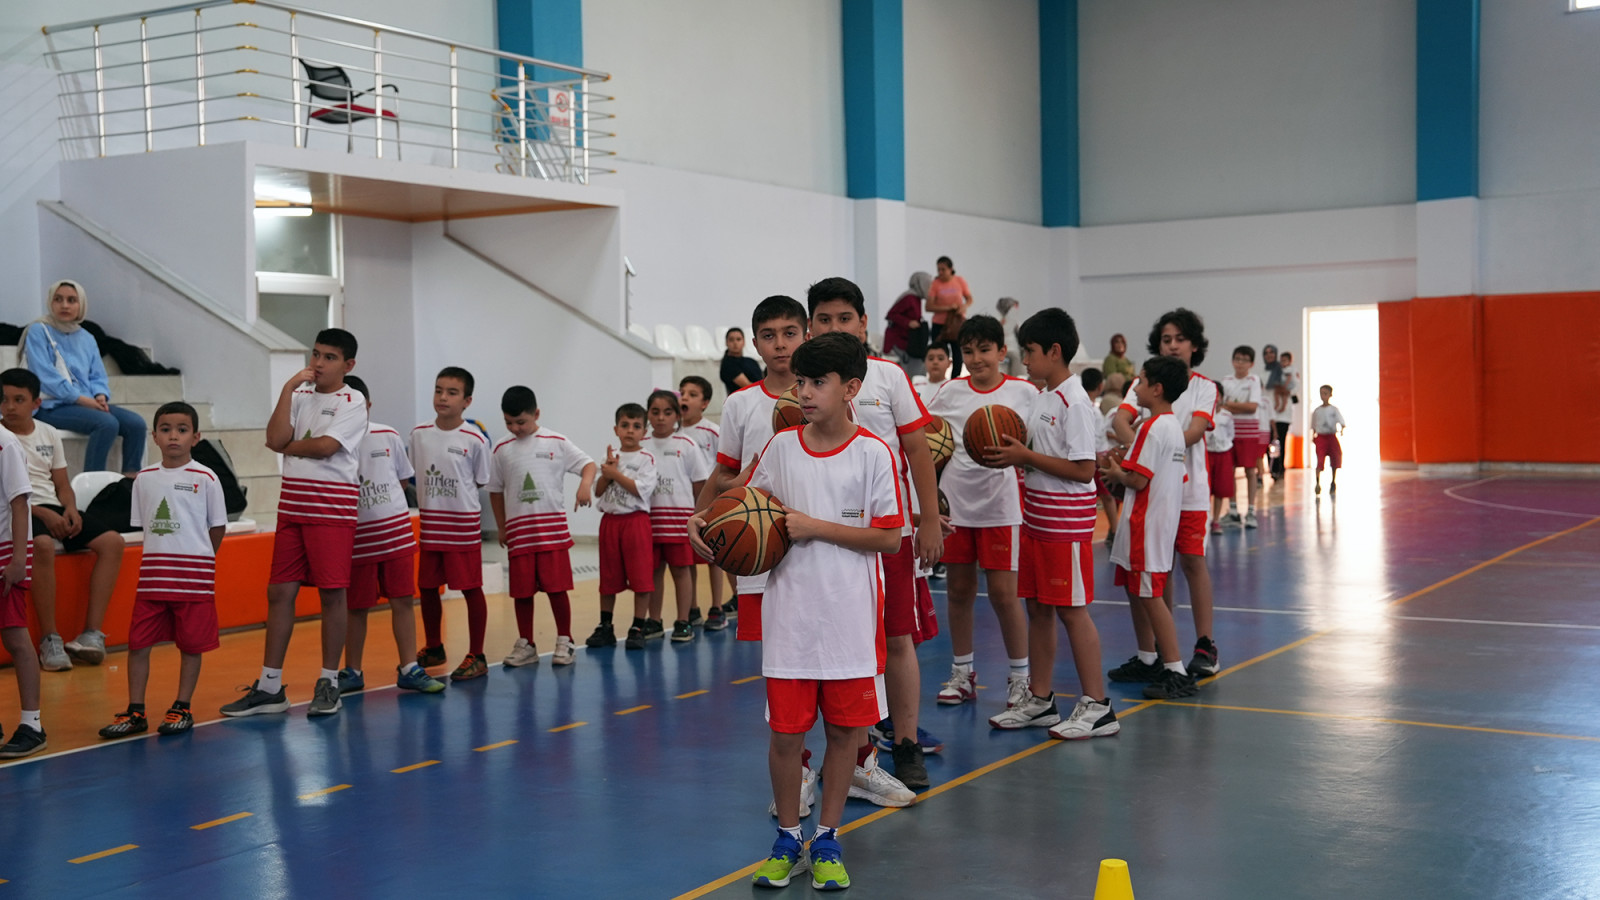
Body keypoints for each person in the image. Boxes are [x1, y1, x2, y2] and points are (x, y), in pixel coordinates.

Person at [688, 332, 903, 892]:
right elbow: (741, 504)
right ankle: (787, 838)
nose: (804, 392)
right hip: (791, 620)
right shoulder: (781, 447)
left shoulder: (873, 453)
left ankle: (827, 838)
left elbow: (889, 538)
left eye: (818, 382)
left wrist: (814, 527)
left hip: (850, 623)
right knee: (786, 738)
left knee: (844, 736)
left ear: (850, 388)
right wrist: (704, 521)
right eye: (801, 381)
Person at [807, 276, 943, 793]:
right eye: (824, 319)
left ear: (864, 323)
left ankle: (905, 744)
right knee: (844, 645)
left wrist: (929, 518)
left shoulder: (888, 376)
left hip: (890, 534)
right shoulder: (807, 384)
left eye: (845, 318)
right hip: (826, 537)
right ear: (811, 326)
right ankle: (856, 752)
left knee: (897, 639)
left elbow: (918, 450)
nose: (835, 327)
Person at [985, 310, 1117, 739]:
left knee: (1072, 612)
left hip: (1065, 525)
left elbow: (1083, 469)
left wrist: (1025, 456)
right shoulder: (1044, 396)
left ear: (1054, 351)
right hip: (1037, 519)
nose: (1024, 360)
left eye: (1030, 352)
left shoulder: (1073, 402)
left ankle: (1098, 706)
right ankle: (1040, 700)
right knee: (1038, 608)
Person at [222, 328, 366, 718]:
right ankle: (270, 686)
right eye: (316, 354)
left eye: (329, 357)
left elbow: (326, 447)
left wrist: (288, 446)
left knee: (332, 594)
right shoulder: (299, 394)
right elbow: (273, 437)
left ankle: (329, 682)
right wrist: (287, 388)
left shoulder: (353, 401)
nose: (318, 363)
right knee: (279, 592)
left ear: (348, 365)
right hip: (292, 507)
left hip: (331, 510)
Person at [927, 315, 1040, 714]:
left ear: (1002, 352)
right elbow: (927, 437)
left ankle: (1020, 678)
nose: (976, 358)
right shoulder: (948, 393)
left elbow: (1039, 445)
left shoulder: (1025, 393)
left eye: (984, 350)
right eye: (968, 351)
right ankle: (962, 673)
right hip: (955, 503)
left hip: (1001, 505)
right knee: (958, 591)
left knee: (1004, 595)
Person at [97, 402, 228, 738]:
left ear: (195, 437)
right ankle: (135, 710)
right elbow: (147, 527)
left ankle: (182, 706)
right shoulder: (144, 479)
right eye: (166, 429)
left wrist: (201, 559)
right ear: (154, 436)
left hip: (194, 580)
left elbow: (217, 527)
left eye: (182, 430)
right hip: (153, 580)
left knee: (191, 645)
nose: (174, 436)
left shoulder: (207, 478)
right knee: (138, 644)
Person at [1110, 309, 1221, 682]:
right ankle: (1156, 652)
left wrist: (1149, 450)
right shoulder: (1144, 381)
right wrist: (1144, 451)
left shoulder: (1204, 387)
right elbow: (1120, 421)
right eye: (1166, 339)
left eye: (1180, 339)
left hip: (1188, 491)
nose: (1172, 345)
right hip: (1149, 491)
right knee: (1156, 569)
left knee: (1192, 562)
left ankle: (1204, 645)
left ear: (1194, 346)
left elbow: (1194, 431)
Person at [0, 368, 125, 672]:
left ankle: (91, 635)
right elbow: (10, 497)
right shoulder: (2, 438)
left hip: (52, 506)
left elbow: (62, 484)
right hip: (19, 512)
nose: (10, 406)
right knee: (42, 545)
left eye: (19, 399)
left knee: (113, 542)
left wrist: (69, 508)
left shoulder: (48, 432)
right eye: (4, 400)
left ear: (36, 403)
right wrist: (43, 513)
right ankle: (50, 639)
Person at [337, 376, 444, 694]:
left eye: (357, 407)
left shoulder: (388, 435)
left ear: (368, 406)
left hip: (395, 537)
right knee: (356, 607)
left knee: (402, 600)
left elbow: (402, 480)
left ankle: (409, 667)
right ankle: (352, 670)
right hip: (356, 542)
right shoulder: (330, 445)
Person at [1102, 355, 1195, 700]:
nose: (1136, 387)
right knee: (1139, 591)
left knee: (1150, 596)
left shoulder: (1151, 428)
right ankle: (1148, 658)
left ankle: (1176, 669)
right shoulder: (1173, 428)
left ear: (1156, 389)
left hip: (1145, 523)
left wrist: (1115, 473)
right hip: (1157, 522)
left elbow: (1138, 480)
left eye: (1140, 382)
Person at [489, 386, 595, 666]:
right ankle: (526, 643)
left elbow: (588, 465)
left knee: (557, 589)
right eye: (509, 423)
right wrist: (501, 526)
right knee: (521, 592)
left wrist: (585, 485)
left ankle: (565, 639)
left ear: (536, 414)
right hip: (519, 534)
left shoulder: (556, 442)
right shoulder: (501, 449)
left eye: (521, 422)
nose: (515, 428)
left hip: (552, 533)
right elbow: (495, 490)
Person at [409, 368, 492, 681]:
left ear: (467, 401)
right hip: (431, 524)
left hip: (461, 525)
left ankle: (477, 655)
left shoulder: (475, 439)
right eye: (438, 390)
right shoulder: (418, 434)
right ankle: (434, 647)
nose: (443, 397)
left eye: (452, 392)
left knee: (470, 587)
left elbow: (480, 480)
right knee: (427, 586)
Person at [23, 280, 147, 475]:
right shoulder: (39, 331)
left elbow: (97, 375)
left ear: (81, 305)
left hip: (88, 403)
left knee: (136, 424)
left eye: (71, 300)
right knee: (106, 423)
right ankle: (92, 485)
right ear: (50, 302)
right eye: (58, 299)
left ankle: (130, 481)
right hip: (51, 405)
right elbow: (45, 376)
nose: (65, 305)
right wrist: (83, 400)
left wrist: (100, 395)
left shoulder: (87, 337)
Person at [644, 389, 710, 642]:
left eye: (667, 412)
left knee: (681, 571)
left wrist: (697, 517)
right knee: (653, 572)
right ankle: (654, 620)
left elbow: (699, 485)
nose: (661, 418)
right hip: (649, 523)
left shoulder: (687, 445)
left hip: (679, 522)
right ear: (648, 414)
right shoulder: (641, 444)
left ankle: (684, 620)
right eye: (655, 412)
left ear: (676, 416)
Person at [593, 403, 658, 650]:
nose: (630, 430)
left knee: (641, 578)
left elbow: (640, 490)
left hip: (635, 522)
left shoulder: (646, 458)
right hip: (610, 523)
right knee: (608, 577)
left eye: (636, 426)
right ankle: (605, 625)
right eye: (625, 425)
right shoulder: (609, 457)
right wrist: (606, 473)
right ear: (616, 429)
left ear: (644, 432)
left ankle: (637, 627)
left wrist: (615, 474)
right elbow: (598, 491)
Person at [0, 418, 43, 758]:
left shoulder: (6, 443)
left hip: (6, 553)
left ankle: (33, 725)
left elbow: (19, 502)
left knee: (15, 637)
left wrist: (18, 559)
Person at [677, 375, 732, 631]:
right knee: (688, 560)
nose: (684, 398)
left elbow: (726, 464)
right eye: (682, 393)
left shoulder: (712, 431)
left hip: (710, 506)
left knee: (713, 556)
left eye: (692, 394)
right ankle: (693, 608)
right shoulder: (674, 433)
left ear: (705, 403)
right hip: (682, 505)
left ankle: (717, 607)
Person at [1220, 346, 1264, 527]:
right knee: (1229, 470)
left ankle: (1251, 511)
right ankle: (1233, 511)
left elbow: (1252, 407)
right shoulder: (1226, 381)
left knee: (1250, 471)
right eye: (1237, 359)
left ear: (1251, 364)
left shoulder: (1254, 380)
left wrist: (1231, 405)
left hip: (1249, 431)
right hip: (1229, 431)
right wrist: (1237, 406)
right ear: (1232, 361)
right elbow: (1222, 405)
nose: (1240, 363)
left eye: (1245, 360)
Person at [927, 257, 973, 375]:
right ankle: (938, 377)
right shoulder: (936, 284)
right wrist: (948, 308)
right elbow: (929, 306)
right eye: (938, 270)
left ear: (950, 269)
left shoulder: (959, 281)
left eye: (943, 269)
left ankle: (955, 378)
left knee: (957, 353)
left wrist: (964, 306)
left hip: (956, 324)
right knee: (939, 352)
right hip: (939, 325)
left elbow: (969, 298)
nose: (940, 272)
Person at [882, 272, 932, 376]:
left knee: (919, 369)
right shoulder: (909, 298)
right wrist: (908, 322)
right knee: (912, 372)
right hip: (899, 342)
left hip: (909, 342)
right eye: (928, 284)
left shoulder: (917, 298)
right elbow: (891, 315)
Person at [1205, 382, 1236, 535]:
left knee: (1220, 488)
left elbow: (1231, 434)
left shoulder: (1227, 416)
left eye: (1218, 395)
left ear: (1222, 397)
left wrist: (1224, 445)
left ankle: (1216, 520)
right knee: (1206, 487)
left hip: (1223, 453)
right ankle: (1205, 519)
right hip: (1207, 453)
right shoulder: (1203, 415)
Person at [1313, 384, 1346, 495]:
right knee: (1320, 460)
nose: (1323, 396)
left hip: (1331, 436)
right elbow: (1313, 425)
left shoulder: (1334, 410)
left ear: (1330, 395)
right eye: (1321, 393)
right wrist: (1314, 436)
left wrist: (1341, 429)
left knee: (1335, 458)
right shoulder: (1317, 411)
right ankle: (1317, 482)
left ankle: (1333, 481)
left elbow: (1341, 421)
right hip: (1321, 437)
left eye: (1325, 393)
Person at [720, 327, 765, 398]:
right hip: (742, 401)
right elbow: (748, 386)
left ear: (744, 342)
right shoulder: (728, 364)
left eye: (738, 339)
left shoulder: (751, 361)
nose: (735, 343)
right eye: (731, 340)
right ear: (726, 343)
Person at [913, 341, 953, 406]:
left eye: (940, 359)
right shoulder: (915, 383)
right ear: (924, 362)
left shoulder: (953, 388)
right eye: (931, 359)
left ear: (949, 363)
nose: (935, 362)